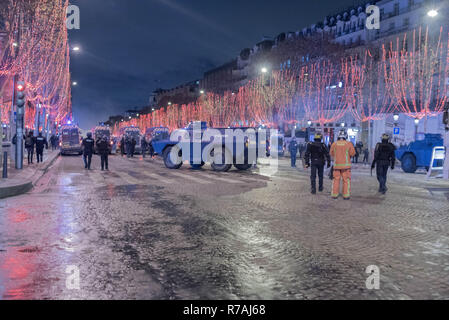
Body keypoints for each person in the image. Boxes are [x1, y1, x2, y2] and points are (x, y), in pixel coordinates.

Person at [330, 130, 356, 200]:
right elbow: (352, 153)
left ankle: (335, 195)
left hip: (336, 166)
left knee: (336, 180)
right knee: (346, 180)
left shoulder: (334, 144)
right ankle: (346, 195)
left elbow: (331, 154)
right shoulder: (349, 144)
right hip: (346, 167)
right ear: (346, 136)